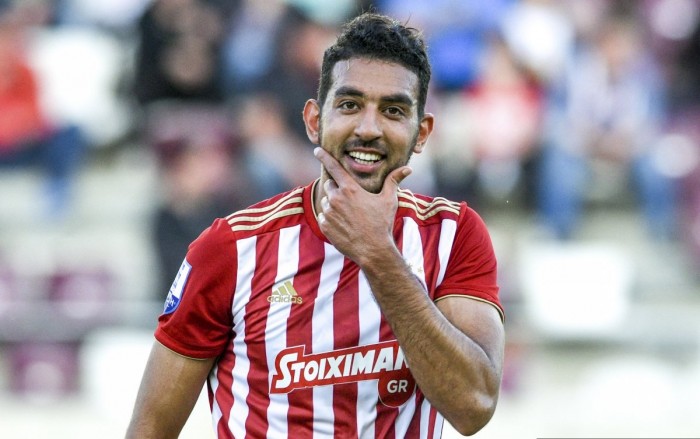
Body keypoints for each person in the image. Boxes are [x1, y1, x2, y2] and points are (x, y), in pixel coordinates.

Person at [126, 12, 504, 438]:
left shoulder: (454, 235)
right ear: (313, 121)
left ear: (422, 133)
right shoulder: (231, 248)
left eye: (394, 111)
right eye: (349, 105)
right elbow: (150, 428)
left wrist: (378, 255)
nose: (368, 128)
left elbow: (474, 406)